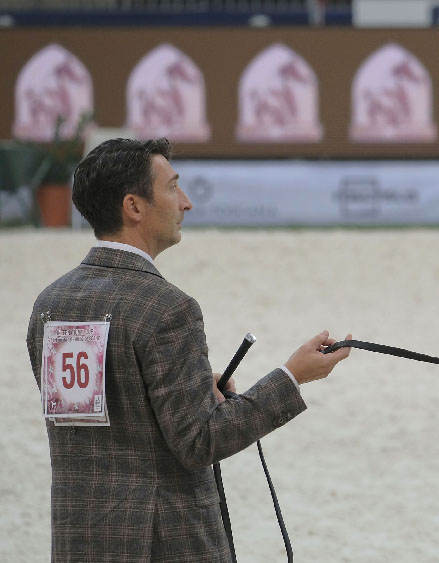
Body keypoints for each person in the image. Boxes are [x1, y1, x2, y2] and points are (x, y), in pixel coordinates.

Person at [25, 138, 351, 563]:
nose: (187, 202)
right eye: (172, 187)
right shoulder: (167, 308)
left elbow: (105, 416)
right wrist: (291, 377)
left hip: (78, 539)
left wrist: (190, 389)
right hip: (164, 543)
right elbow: (200, 440)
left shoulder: (50, 305)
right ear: (134, 207)